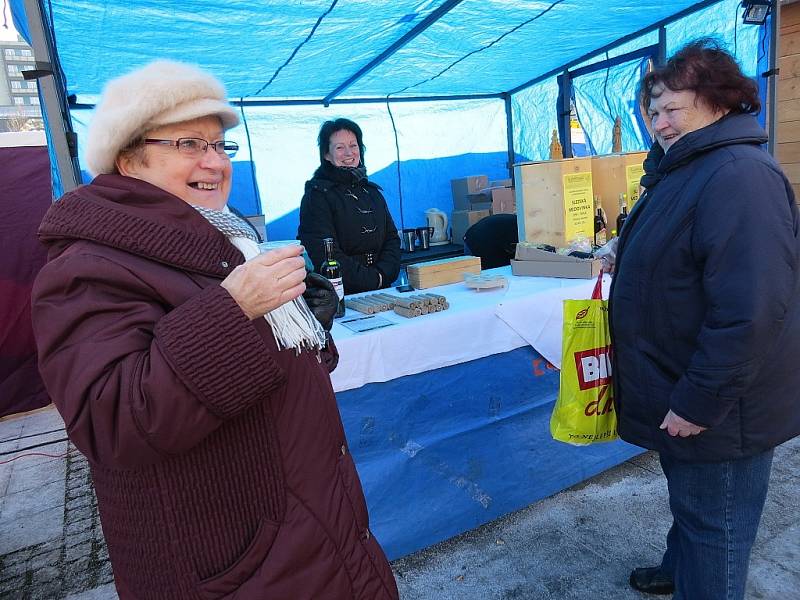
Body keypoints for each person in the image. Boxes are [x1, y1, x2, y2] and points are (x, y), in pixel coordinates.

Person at [31, 60, 399, 600]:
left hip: (306, 525)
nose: (214, 162)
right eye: (189, 143)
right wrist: (236, 310)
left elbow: (261, 369)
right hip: (236, 562)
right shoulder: (87, 265)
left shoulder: (221, 241)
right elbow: (113, 420)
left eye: (220, 146)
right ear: (128, 158)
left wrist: (309, 330)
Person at [609, 39, 800, 599]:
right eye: (653, 112)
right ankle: (677, 569)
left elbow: (752, 309)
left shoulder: (738, 174)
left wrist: (699, 401)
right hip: (682, 381)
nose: (659, 123)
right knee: (693, 501)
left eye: (673, 109)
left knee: (716, 524)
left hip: (719, 404)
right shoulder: (686, 168)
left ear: (717, 103)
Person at [298, 118, 401, 294]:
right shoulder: (317, 196)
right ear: (326, 154)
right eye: (339, 147)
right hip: (341, 295)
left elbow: (391, 238)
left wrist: (383, 275)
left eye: (353, 146)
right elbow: (324, 252)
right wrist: (371, 279)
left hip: (383, 288)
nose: (348, 153)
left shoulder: (372, 192)